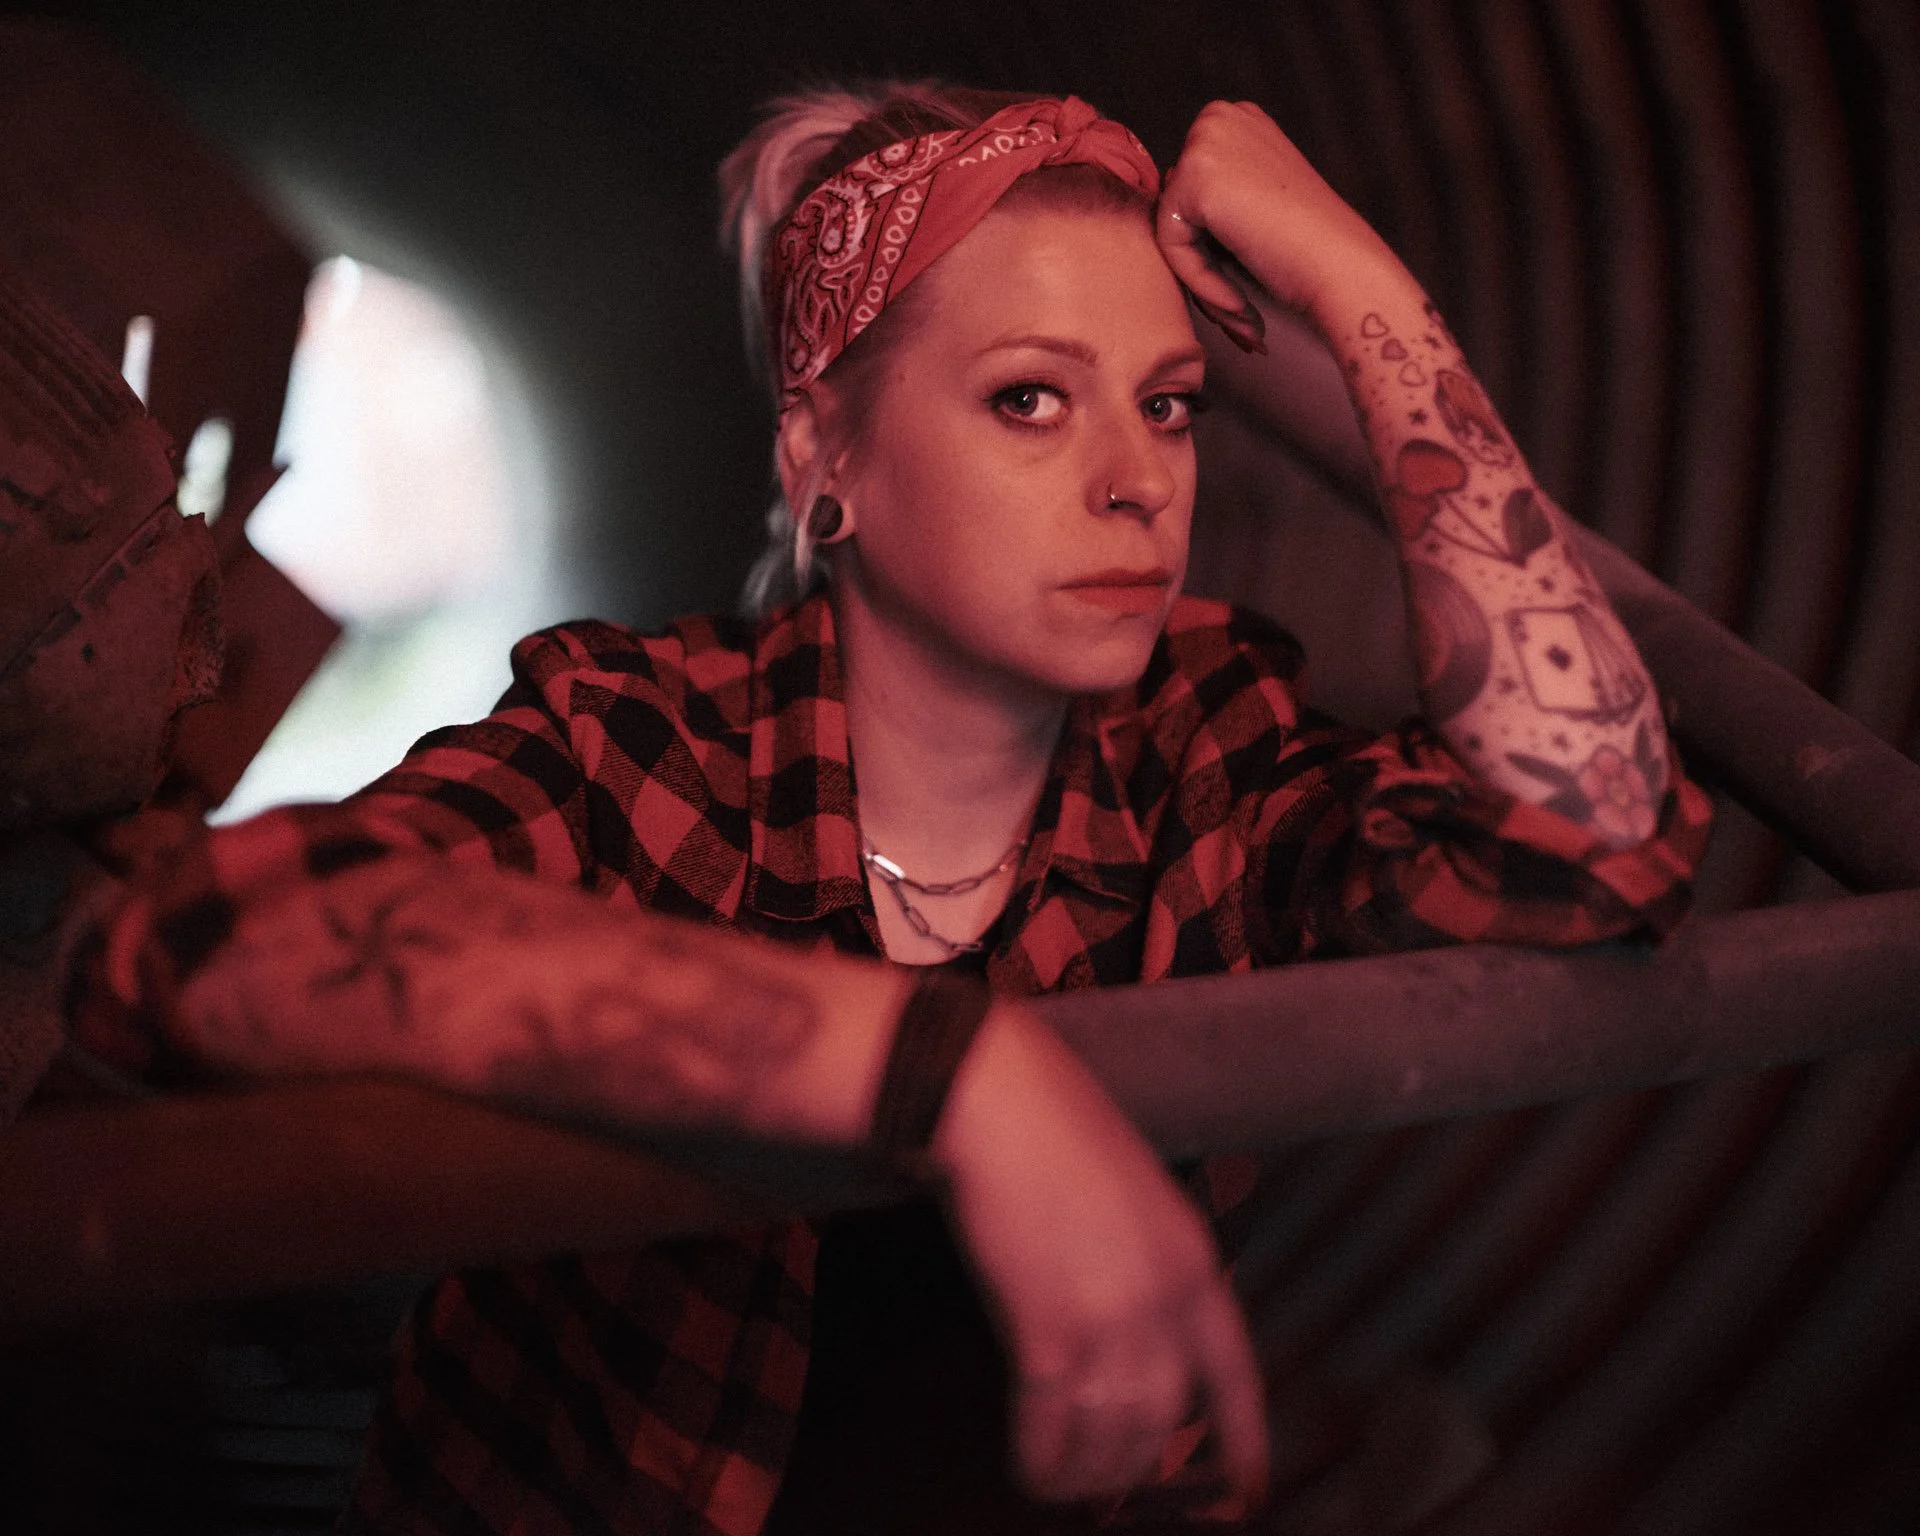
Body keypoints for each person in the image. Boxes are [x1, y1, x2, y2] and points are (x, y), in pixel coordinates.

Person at [63, 85, 1711, 1534]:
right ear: (821, 463)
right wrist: (945, 1068)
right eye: (1029, 399)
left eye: (1169, 401)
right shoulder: (647, 746)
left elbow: (1596, 839)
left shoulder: (1211, 744)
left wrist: (1366, 297)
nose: (1141, 478)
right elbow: (197, 936)